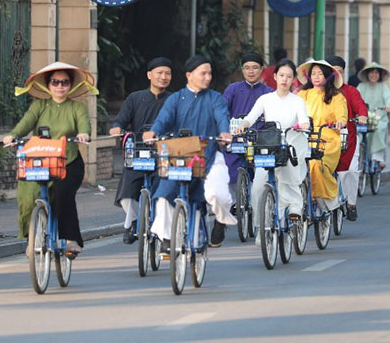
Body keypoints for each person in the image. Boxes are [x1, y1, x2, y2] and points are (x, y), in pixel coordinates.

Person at [142, 55, 236, 248]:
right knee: (163, 195)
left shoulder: (216, 98)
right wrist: (153, 132)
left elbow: (221, 117)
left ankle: (221, 220)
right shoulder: (176, 99)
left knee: (218, 194)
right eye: (203, 73)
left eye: (210, 73)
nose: (208, 77)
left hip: (209, 156)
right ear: (189, 75)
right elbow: (163, 119)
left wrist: (225, 133)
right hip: (179, 158)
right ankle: (167, 238)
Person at [4, 62, 94, 255]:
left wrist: (84, 134)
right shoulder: (39, 106)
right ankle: (32, 238)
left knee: (63, 195)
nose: (60, 86)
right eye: (55, 82)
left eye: (65, 82)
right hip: (41, 162)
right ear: (48, 84)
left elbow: (84, 124)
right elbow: (25, 123)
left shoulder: (76, 107)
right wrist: (13, 135)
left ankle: (70, 240)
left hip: (68, 163)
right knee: (28, 195)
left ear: (71, 85)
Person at [237, 59, 310, 226]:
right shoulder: (265, 99)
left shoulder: (297, 101)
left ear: (293, 80)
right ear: (275, 76)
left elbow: (304, 119)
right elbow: (251, 117)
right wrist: (243, 125)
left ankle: (294, 207)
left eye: (289, 76)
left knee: (289, 178)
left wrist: (304, 125)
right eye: (282, 75)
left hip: (290, 143)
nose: (285, 79)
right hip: (269, 146)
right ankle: (260, 226)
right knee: (257, 188)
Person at [109, 57, 173, 244]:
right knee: (127, 192)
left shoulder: (175, 99)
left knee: (166, 190)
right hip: (138, 152)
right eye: (159, 73)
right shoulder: (135, 98)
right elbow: (121, 120)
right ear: (149, 75)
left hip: (164, 153)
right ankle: (134, 222)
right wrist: (116, 127)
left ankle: (165, 232)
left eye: (167, 73)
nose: (163, 77)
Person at [298, 60, 348, 213]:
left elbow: (342, 115)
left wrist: (340, 122)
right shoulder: (303, 94)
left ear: (328, 76)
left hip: (327, 139)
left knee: (316, 164)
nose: (316, 77)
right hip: (303, 137)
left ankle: (329, 197)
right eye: (313, 73)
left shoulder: (337, 97)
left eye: (320, 73)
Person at [222, 52, 273, 191]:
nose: (251, 71)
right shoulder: (233, 89)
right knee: (229, 171)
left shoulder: (268, 92)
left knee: (262, 176)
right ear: (242, 70)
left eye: (255, 67)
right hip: (236, 139)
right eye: (247, 67)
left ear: (262, 69)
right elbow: (222, 112)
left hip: (260, 141)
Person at [326, 55, 368, 221]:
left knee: (350, 171)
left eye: (340, 72)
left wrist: (363, 115)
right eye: (333, 72)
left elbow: (360, 106)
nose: (337, 75)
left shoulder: (350, 91)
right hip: (325, 139)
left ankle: (351, 203)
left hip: (347, 138)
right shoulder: (320, 91)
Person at [357, 62, 390, 170]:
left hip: (379, 118)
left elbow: (387, 99)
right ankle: (358, 156)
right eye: (371, 73)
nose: (374, 75)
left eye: (376, 73)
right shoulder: (361, 86)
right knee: (357, 133)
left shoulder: (383, 86)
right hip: (364, 118)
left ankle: (377, 158)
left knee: (379, 130)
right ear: (367, 74)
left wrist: (388, 106)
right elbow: (356, 98)